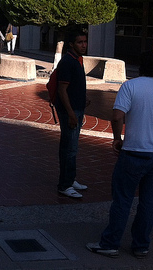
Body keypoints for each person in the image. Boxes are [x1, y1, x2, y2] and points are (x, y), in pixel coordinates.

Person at [87, 51, 153, 259]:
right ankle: (141, 245)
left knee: (123, 199)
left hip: (134, 151)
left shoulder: (131, 86)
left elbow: (117, 116)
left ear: (143, 66)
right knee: (150, 201)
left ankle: (110, 243)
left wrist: (117, 139)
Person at [54, 29, 89, 199]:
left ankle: (70, 178)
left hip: (77, 108)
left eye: (85, 41)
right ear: (71, 44)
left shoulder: (78, 60)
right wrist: (71, 113)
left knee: (72, 147)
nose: (84, 45)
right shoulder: (68, 61)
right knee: (69, 148)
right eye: (79, 42)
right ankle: (65, 185)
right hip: (70, 111)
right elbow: (62, 90)